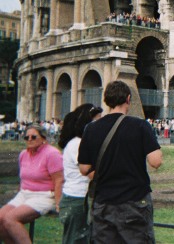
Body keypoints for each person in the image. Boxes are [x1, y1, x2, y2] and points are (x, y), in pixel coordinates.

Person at [78, 80, 163, 243]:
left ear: (107, 101)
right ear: (128, 99)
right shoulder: (140, 125)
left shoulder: (91, 128)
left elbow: (84, 168)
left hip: (103, 203)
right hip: (134, 200)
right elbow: (155, 161)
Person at [0, 124, 63, 243]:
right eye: (26, 137)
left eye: (33, 137)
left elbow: (59, 180)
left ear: (43, 138)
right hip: (24, 194)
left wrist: (58, 203)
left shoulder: (52, 154)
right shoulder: (23, 154)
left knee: (10, 219)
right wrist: (19, 195)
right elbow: (23, 178)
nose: (29, 139)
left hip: (44, 196)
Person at [58, 104, 103, 244]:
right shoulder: (78, 144)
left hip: (77, 198)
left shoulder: (79, 142)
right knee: (76, 240)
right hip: (77, 199)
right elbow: (90, 173)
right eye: (97, 121)